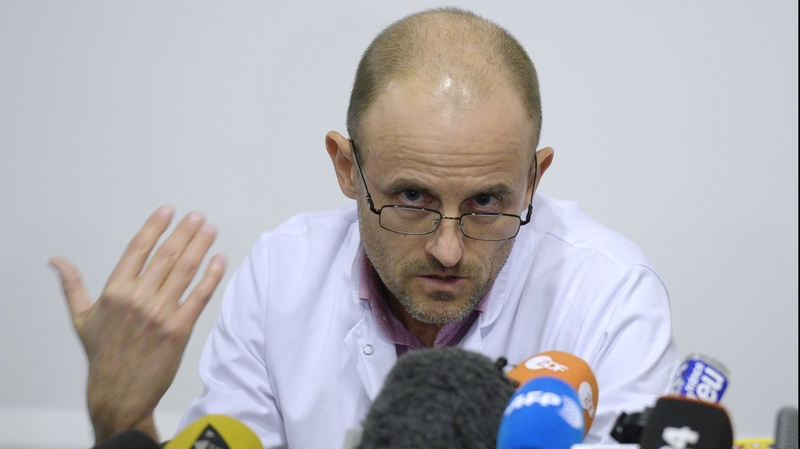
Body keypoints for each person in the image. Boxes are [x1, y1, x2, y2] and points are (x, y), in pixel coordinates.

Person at [51, 7, 679, 448]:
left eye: (488, 202)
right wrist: (124, 419)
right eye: (411, 197)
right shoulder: (281, 278)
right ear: (346, 167)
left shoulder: (608, 294)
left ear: (534, 181)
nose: (448, 248)